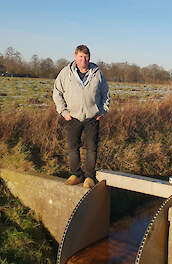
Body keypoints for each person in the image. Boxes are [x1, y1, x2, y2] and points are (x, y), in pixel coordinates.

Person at [53, 45, 110, 188]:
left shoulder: (97, 73)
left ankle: (89, 177)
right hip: (72, 117)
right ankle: (76, 174)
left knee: (91, 148)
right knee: (73, 148)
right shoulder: (66, 73)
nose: (83, 60)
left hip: (92, 117)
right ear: (75, 57)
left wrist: (103, 111)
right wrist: (64, 112)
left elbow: (106, 94)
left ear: (89, 58)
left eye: (86, 57)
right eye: (80, 57)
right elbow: (57, 93)